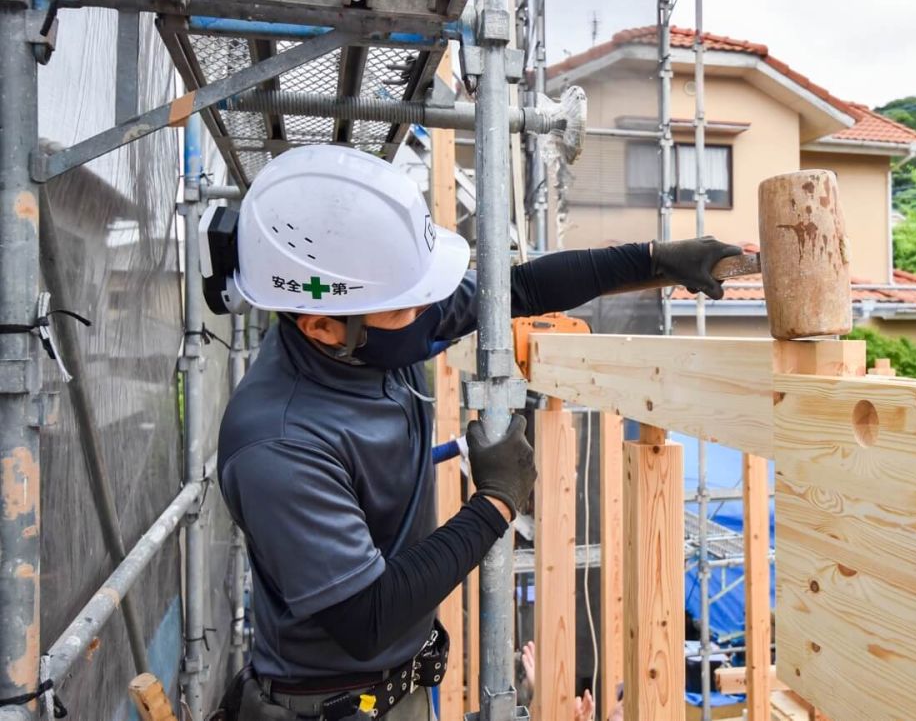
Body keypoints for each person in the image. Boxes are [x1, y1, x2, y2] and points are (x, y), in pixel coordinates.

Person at [214, 145, 741, 720]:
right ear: (320, 325)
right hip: (336, 707)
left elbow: (519, 290)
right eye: (406, 309)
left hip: (394, 688)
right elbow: (367, 617)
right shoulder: (279, 443)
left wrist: (654, 261)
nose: (429, 312)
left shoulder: (370, 327)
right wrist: (495, 502)